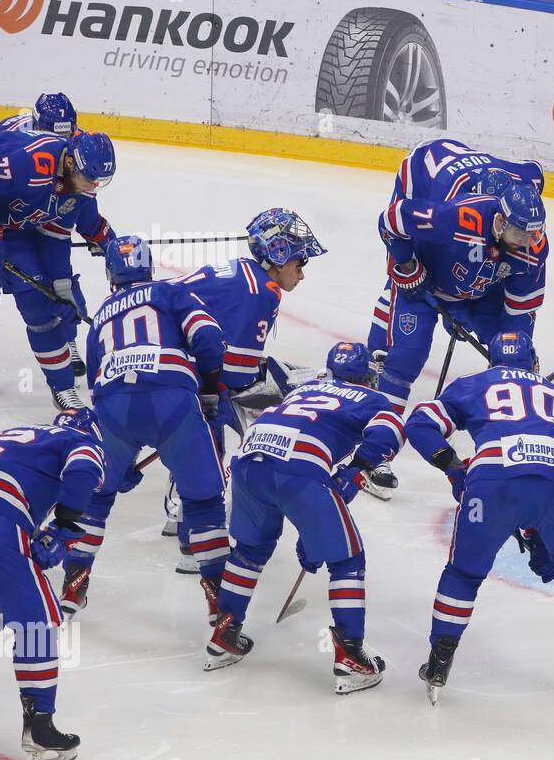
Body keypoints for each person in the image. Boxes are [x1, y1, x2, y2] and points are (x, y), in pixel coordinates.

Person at [402, 331, 554, 705]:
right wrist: (538, 530)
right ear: (533, 362)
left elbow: (419, 424)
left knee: (463, 574)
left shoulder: (472, 385)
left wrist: (453, 468)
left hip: (493, 484)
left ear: (492, 362)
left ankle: (439, 662)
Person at [208, 341, 403, 693]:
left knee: (249, 551)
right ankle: (352, 657)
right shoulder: (373, 399)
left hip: (250, 457)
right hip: (299, 466)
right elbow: (390, 433)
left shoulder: (307, 385)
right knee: (347, 560)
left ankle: (224, 632)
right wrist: (356, 472)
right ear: (365, 375)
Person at [59, 236, 232, 622]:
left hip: (114, 407)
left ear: (110, 274)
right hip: (171, 398)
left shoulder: (102, 312)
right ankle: (222, 611)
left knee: (99, 497)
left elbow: (96, 381)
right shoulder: (171, 290)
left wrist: (119, 461)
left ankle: (74, 582)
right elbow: (208, 339)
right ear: (148, 266)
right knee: (204, 503)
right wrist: (208, 391)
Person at [162, 207, 326, 569]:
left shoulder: (242, 272)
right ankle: (197, 541)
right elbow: (234, 373)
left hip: (162, 357)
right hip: (173, 368)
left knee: (208, 414)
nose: (302, 272)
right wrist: (282, 383)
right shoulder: (260, 290)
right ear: (279, 255)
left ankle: (179, 508)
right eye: (300, 262)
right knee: (218, 420)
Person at [0, 407, 105, 760]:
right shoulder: (81, 440)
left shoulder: (21, 434)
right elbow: (83, 470)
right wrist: (63, 528)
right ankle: (40, 728)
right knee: (38, 622)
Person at [0, 93, 115, 392]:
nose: (94, 187)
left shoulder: (81, 157)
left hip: (33, 217)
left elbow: (63, 228)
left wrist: (101, 238)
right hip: (8, 213)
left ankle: (67, 341)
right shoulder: (22, 150)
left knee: (56, 288)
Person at [375, 181, 548, 414]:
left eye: (533, 234)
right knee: (406, 356)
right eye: (519, 233)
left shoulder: (534, 251)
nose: (527, 242)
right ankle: (379, 430)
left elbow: (520, 310)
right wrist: (407, 265)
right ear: (500, 222)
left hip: (482, 294)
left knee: (513, 357)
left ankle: (511, 425)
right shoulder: (457, 219)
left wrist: (519, 355)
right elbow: (392, 219)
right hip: (425, 287)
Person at [366, 138, 544, 357]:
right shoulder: (450, 209)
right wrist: (407, 265)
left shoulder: (526, 187)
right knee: (405, 277)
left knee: (489, 264)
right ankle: (379, 351)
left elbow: (535, 169)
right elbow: (396, 222)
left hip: (481, 174)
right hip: (423, 170)